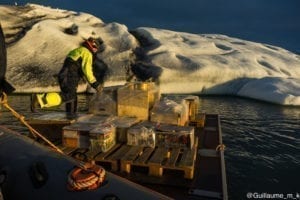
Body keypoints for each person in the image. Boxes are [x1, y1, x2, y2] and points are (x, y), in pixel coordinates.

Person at [31, 37, 104, 118]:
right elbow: (87, 70)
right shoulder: (86, 53)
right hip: (70, 76)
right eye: (95, 47)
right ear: (92, 46)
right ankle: (40, 99)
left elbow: (75, 65)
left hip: (67, 76)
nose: (95, 50)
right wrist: (95, 84)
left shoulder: (79, 50)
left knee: (71, 97)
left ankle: (71, 117)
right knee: (69, 96)